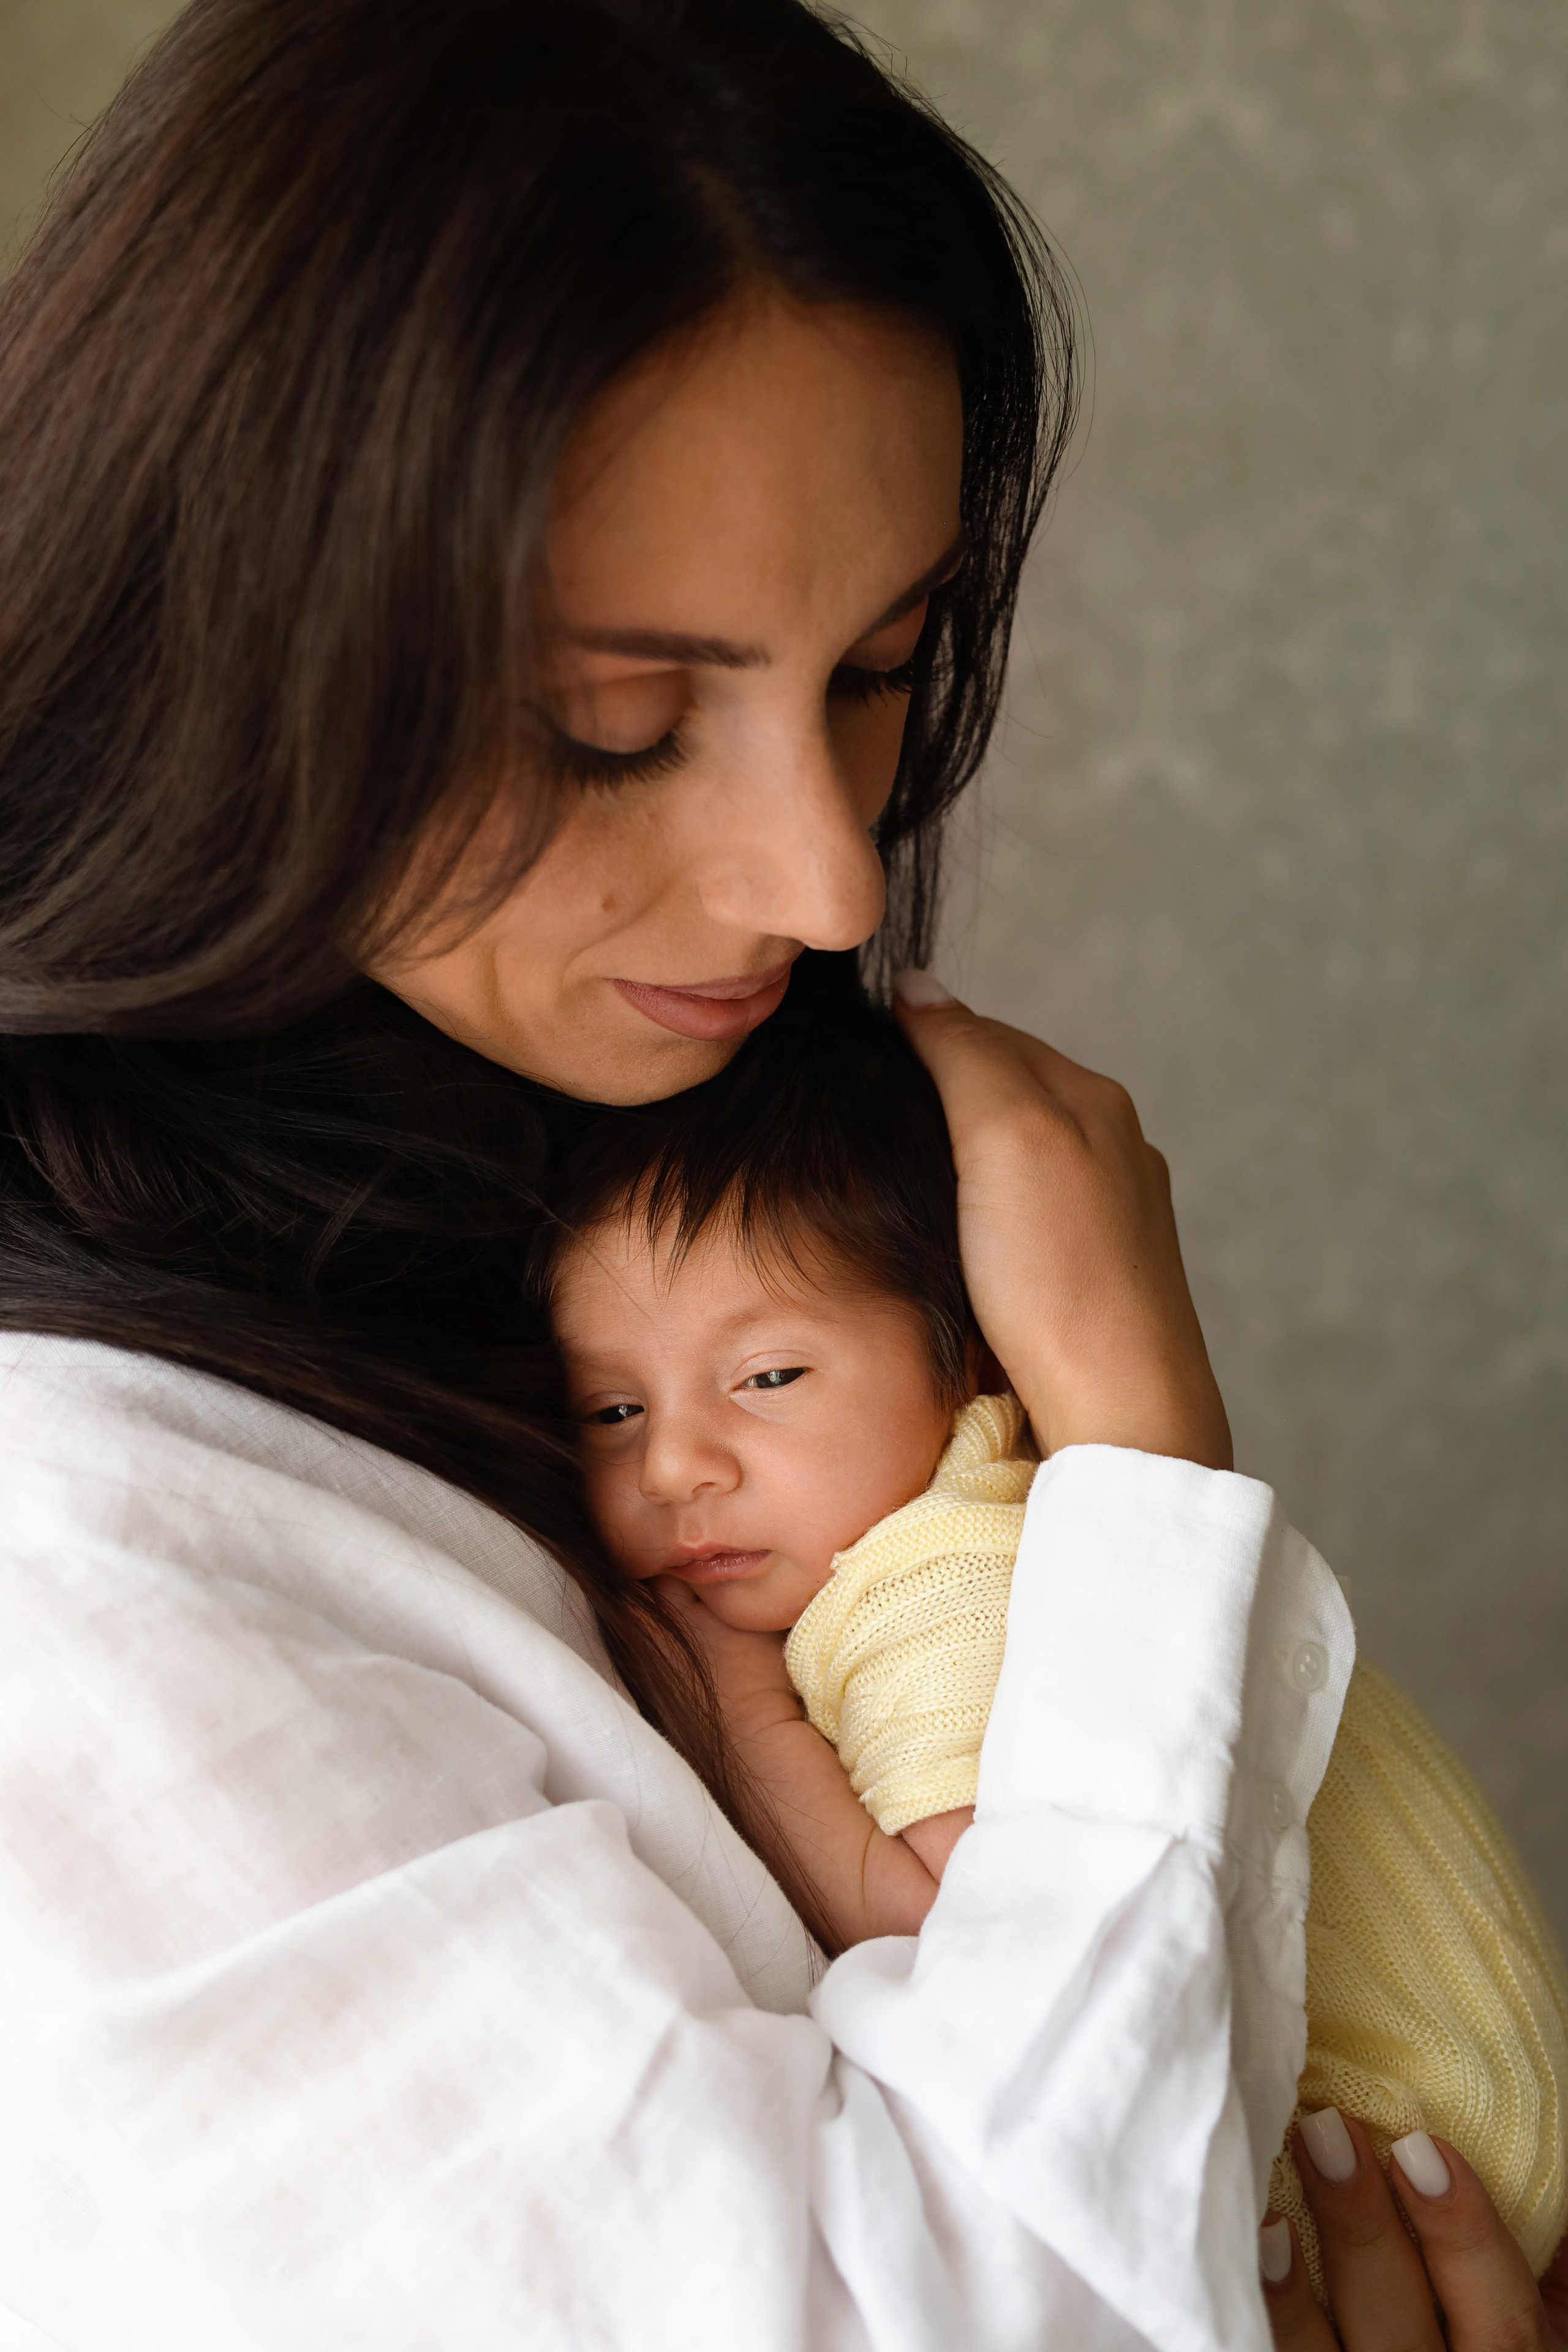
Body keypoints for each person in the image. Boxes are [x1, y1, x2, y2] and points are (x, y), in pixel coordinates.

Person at [0, 1, 1556, 2345]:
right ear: (232, 641)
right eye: (617, 729)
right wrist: (1139, 1457)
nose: (831, 881)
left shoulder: (570, 1209)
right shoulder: (71, 1551)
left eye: (884, 668)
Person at [542, 1005, 1568, 2300]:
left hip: (1365, 2164)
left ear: (969, 1361)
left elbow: (968, 1945)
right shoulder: (962, 1528)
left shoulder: (936, 1579)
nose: (675, 1462)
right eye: (613, 1409)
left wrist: (735, 1710)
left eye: (769, 1378)